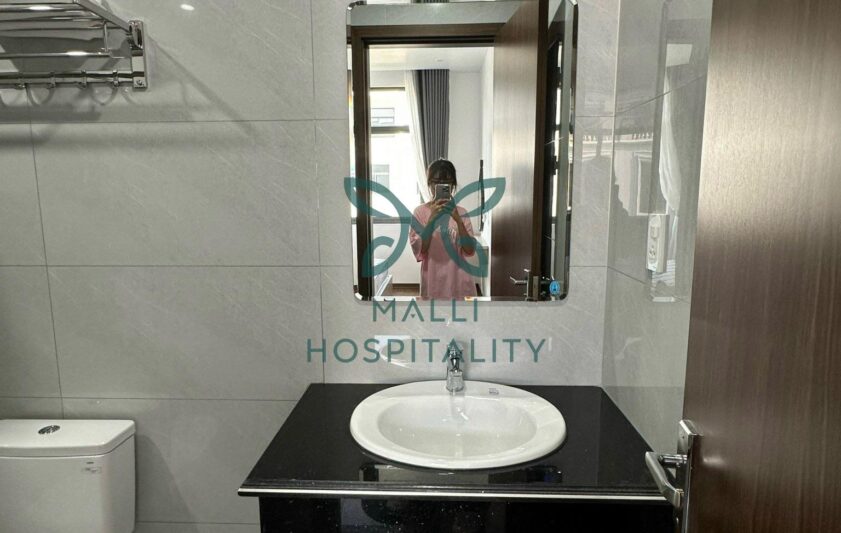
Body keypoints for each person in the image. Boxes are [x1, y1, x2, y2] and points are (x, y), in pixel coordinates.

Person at [409, 159, 478, 299]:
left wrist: (458, 220)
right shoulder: (419, 212)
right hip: (433, 280)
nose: (440, 185)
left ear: (453, 185)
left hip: (460, 281)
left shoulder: (461, 212)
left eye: (446, 182)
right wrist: (432, 219)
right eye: (436, 182)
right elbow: (420, 250)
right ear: (429, 184)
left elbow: (469, 250)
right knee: (433, 313)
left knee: (462, 314)